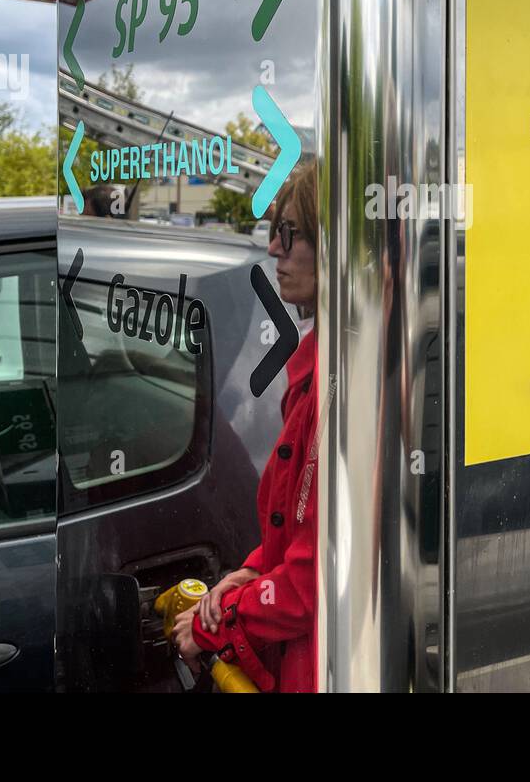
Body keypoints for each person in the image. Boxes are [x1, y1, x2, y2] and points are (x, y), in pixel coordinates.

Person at [172, 162, 319, 692]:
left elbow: (308, 586)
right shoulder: (317, 369)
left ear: (335, 249)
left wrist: (219, 621)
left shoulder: (339, 389)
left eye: (289, 233)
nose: (274, 250)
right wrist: (254, 571)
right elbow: (295, 543)